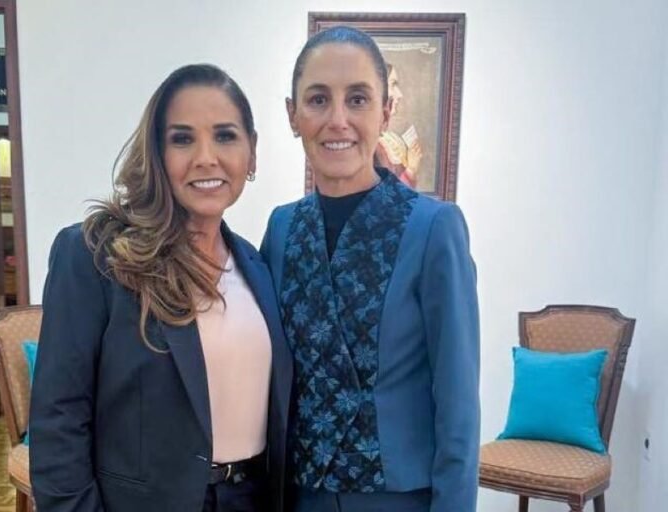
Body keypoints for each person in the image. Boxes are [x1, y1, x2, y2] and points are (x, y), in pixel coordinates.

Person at [29, 64, 292, 512]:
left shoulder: (257, 265)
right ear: (157, 152)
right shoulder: (96, 255)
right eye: (182, 139)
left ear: (252, 152)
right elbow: (59, 420)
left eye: (225, 136)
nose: (206, 157)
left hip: (250, 498)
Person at [261, 26, 479, 512]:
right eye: (318, 99)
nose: (337, 120)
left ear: (386, 111)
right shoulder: (282, 228)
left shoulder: (433, 227)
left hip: (399, 498)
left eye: (357, 99)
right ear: (293, 115)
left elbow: (458, 404)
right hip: (300, 496)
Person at [375, 63, 423, 188]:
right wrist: (411, 170)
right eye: (392, 84)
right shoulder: (369, 145)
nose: (399, 94)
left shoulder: (390, 139)